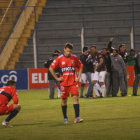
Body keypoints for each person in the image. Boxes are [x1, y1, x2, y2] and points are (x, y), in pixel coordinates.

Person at [49, 43, 83, 124]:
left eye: (70, 52)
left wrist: (78, 76)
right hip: (64, 83)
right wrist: (57, 78)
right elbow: (51, 68)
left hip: (73, 83)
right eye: (67, 51)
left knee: (76, 98)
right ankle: (65, 118)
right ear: (64, 49)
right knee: (64, 100)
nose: (68, 53)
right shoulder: (59, 58)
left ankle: (77, 117)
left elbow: (81, 66)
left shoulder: (74, 57)